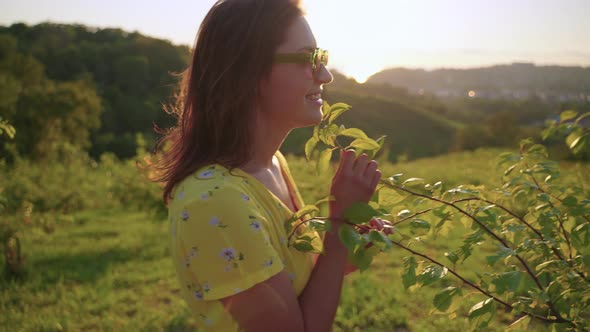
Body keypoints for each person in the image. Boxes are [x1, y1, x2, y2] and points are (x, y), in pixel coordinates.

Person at [153, 0, 388, 330]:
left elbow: (296, 285)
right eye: (308, 59)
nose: (326, 74)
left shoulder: (271, 165)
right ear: (248, 71)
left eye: (321, 57)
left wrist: (347, 248)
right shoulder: (214, 200)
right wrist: (339, 228)